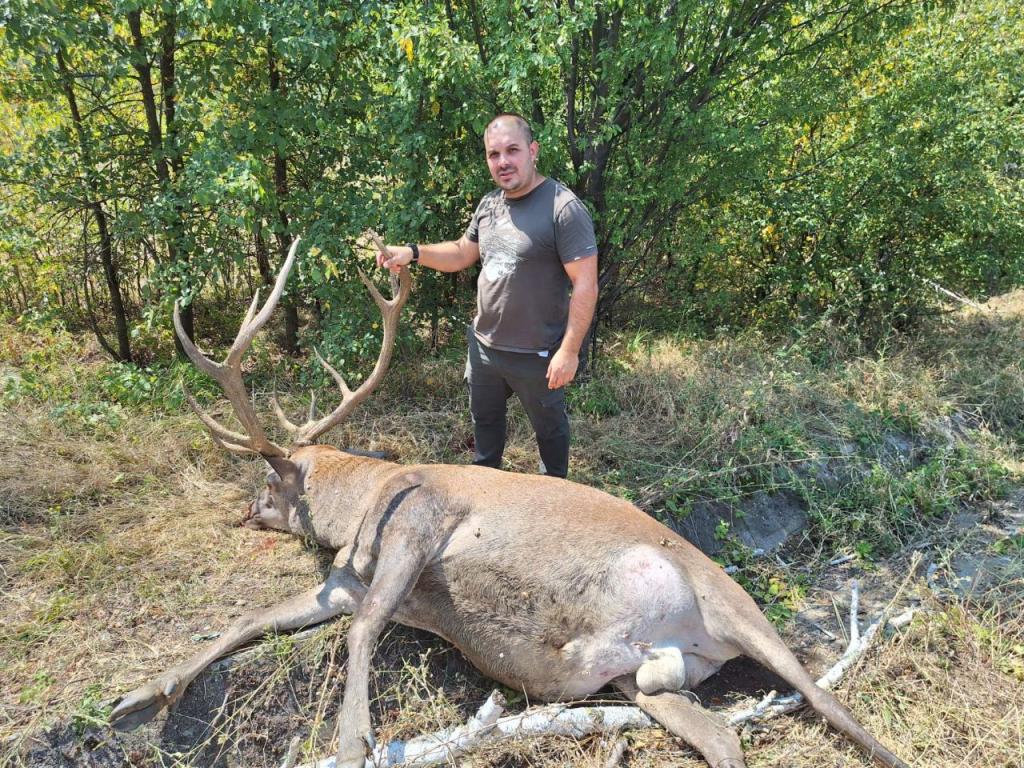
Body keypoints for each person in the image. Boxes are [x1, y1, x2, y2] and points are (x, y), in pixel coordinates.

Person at [377, 113, 598, 478]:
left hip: (538, 356)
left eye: (512, 150)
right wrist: (412, 252)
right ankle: (484, 494)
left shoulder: (563, 208)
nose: (503, 161)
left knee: (550, 434)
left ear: (533, 151)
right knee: (486, 433)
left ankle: (555, 497)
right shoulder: (490, 205)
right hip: (484, 350)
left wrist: (569, 351)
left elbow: (586, 285)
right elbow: (463, 253)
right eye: (494, 154)